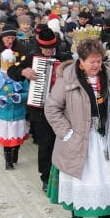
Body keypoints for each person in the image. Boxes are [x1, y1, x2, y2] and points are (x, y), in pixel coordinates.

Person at [45, 38, 110, 218]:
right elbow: (52, 108)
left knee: (107, 179)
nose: (96, 65)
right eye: (91, 61)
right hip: (79, 138)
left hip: (104, 138)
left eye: (99, 61)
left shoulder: (109, 76)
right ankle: (77, 214)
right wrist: (67, 133)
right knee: (80, 177)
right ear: (80, 61)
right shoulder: (68, 79)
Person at [8, 26, 73, 192]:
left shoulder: (64, 57)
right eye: (45, 49)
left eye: (51, 48)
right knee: (46, 143)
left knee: (64, 141)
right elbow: (11, 70)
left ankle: (62, 174)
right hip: (40, 108)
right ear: (40, 47)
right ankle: (45, 177)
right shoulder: (31, 58)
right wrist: (23, 71)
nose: (49, 52)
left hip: (64, 109)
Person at [0, 49, 29, 170]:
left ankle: (15, 155)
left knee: (16, 138)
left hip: (18, 115)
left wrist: (19, 97)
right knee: (6, 140)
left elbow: (28, 92)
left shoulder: (21, 78)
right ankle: (8, 162)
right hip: (3, 116)